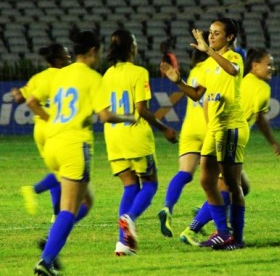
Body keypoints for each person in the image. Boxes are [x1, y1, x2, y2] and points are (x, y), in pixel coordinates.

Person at [27, 30, 136, 276]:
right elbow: (106, 115)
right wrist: (130, 117)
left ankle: (53, 239)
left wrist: (51, 119)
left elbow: (33, 100)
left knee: (86, 201)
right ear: (93, 52)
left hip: (52, 144)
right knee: (69, 208)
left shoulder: (58, 74)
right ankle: (46, 261)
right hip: (74, 145)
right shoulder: (93, 77)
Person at [161, 18, 249, 250]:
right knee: (206, 180)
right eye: (210, 32)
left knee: (232, 185)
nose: (211, 36)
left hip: (230, 126)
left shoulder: (234, 57)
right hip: (214, 129)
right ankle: (222, 232)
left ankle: (236, 239)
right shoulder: (208, 66)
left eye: (216, 33)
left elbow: (232, 71)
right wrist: (178, 81)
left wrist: (208, 51)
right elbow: (197, 94)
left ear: (229, 37)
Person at [180, 47, 280, 245]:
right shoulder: (261, 88)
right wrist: (273, 141)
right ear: (254, 65)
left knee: (237, 186)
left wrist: (211, 127)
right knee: (229, 186)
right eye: (268, 64)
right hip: (229, 137)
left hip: (219, 133)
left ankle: (212, 221)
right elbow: (260, 118)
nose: (272, 68)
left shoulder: (238, 81)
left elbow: (209, 101)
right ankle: (197, 228)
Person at [101, 29, 177, 256]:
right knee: (150, 184)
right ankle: (129, 218)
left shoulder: (106, 75)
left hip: (113, 138)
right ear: (130, 47)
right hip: (135, 137)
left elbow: (104, 112)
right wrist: (164, 129)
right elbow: (142, 110)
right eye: (134, 42)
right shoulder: (139, 72)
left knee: (130, 186)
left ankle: (122, 243)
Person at [11, 44, 71, 221]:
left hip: (40, 129)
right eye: (66, 54)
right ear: (58, 59)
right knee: (67, 171)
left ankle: (56, 213)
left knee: (57, 169)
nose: (70, 57)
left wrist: (16, 91)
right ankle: (33, 190)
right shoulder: (66, 76)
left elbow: (20, 98)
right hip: (55, 126)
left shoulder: (38, 78)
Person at [157, 34, 209, 238]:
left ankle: (167, 207)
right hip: (207, 126)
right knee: (218, 181)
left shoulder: (195, 70)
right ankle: (204, 213)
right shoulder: (214, 69)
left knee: (184, 173)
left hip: (189, 128)